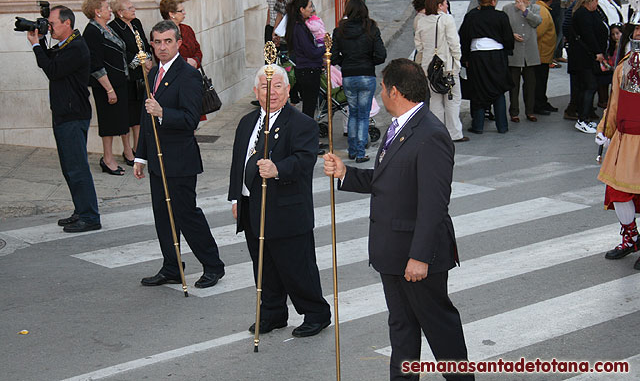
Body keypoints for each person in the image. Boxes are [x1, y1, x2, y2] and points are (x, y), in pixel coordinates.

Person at [323, 58, 473, 381]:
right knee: (402, 330)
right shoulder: (399, 127)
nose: (380, 93)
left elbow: (434, 204)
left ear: (395, 91)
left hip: (416, 258)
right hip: (392, 254)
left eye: (382, 88)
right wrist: (346, 173)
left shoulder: (430, 134)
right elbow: (386, 180)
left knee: (440, 329)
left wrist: (419, 256)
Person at [228, 64, 331, 338]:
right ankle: (273, 313)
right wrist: (236, 198)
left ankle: (316, 313)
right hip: (252, 206)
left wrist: (278, 169)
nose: (271, 92)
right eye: (265, 86)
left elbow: (304, 160)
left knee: (297, 267)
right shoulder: (247, 122)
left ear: (287, 90)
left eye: (277, 86)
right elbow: (239, 162)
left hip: (287, 210)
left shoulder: (302, 124)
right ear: (255, 90)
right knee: (264, 265)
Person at [134, 20, 225, 289]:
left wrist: (163, 113)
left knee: (187, 215)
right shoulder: (152, 74)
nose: (162, 47)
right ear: (152, 44)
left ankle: (213, 266)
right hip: (156, 161)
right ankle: (172, 266)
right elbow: (144, 116)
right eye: (157, 42)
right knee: (162, 216)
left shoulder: (188, 76)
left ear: (178, 43)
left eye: (168, 42)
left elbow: (189, 120)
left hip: (180, 160)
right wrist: (140, 156)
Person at [27, 6, 101, 233]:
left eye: (52, 24)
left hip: (73, 115)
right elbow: (53, 61)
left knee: (77, 168)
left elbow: (53, 70)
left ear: (67, 23)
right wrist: (40, 39)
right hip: (63, 114)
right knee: (69, 168)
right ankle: (81, 210)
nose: (49, 27)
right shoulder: (66, 45)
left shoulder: (77, 47)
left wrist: (36, 45)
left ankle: (90, 216)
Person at [595, 22, 640, 270]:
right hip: (625, 137)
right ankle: (631, 237)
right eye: (636, 29)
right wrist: (605, 129)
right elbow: (615, 102)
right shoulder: (624, 64)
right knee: (619, 193)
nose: (639, 34)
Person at [331, 0, 387, 162]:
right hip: (366, 74)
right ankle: (361, 152)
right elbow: (381, 54)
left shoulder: (339, 30)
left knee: (353, 113)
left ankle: (353, 149)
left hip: (348, 75)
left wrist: (345, 62)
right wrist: (370, 62)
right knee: (363, 115)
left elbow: (333, 57)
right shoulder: (371, 28)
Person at [82, 0, 130, 175]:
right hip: (106, 86)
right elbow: (95, 64)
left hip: (119, 82)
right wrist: (109, 89)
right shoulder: (92, 31)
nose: (109, 10)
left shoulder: (107, 28)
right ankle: (108, 159)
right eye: (106, 7)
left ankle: (116, 156)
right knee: (108, 123)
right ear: (97, 11)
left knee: (119, 121)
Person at [459, 0, 514, 134]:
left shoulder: (471, 16)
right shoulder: (501, 16)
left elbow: (463, 38)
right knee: (498, 89)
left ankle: (478, 125)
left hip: (477, 56)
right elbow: (508, 39)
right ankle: (502, 126)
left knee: (478, 89)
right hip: (497, 56)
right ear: (494, 1)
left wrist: (465, 58)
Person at [414, 0, 467, 142]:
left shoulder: (422, 21)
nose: (447, 6)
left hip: (429, 68)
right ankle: (454, 133)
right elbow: (454, 43)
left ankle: (437, 133)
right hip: (447, 66)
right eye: (445, 4)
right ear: (439, 5)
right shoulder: (446, 20)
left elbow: (419, 45)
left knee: (435, 100)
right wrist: (457, 60)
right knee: (452, 99)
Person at [109, 0, 152, 163]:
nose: (134, 9)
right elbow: (120, 52)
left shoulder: (136, 23)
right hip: (127, 76)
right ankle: (127, 150)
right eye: (130, 7)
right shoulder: (114, 27)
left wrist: (147, 60)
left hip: (142, 76)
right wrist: (140, 62)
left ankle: (138, 147)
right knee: (127, 115)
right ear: (120, 12)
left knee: (139, 113)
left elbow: (145, 44)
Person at [159, 0, 207, 121]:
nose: (184, 13)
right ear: (171, 14)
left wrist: (195, 61)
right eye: (181, 11)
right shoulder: (162, 32)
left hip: (191, 77)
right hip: (174, 80)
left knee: (193, 115)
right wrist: (186, 62)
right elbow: (164, 55)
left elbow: (197, 49)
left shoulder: (187, 29)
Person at [567, 0, 608, 134]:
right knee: (589, 86)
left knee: (589, 86)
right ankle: (582, 119)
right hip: (584, 58)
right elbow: (588, 35)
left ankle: (585, 117)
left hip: (588, 57)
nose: (597, 3)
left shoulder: (589, 13)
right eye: (595, 0)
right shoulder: (582, 15)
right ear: (588, 1)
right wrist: (597, 52)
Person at [503, 0, 542, 123]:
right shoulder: (507, 8)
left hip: (530, 52)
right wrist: (511, 34)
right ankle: (514, 112)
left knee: (530, 84)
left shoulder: (535, 8)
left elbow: (537, 22)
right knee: (514, 84)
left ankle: (530, 111)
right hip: (515, 51)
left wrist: (525, 10)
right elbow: (503, 27)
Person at [285, 0, 325, 120]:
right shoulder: (299, 28)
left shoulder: (300, 26)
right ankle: (306, 136)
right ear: (301, 9)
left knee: (310, 106)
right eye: (309, 6)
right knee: (309, 107)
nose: (311, 9)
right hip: (308, 70)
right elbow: (310, 52)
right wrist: (326, 48)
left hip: (308, 69)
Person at [533, 0, 558, 115]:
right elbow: (538, 32)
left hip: (543, 53)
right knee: (540, 81)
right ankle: (538, 104)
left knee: (541, 80)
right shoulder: (543, 11)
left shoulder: (541, 9)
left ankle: (542, 101)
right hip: (541, 54)